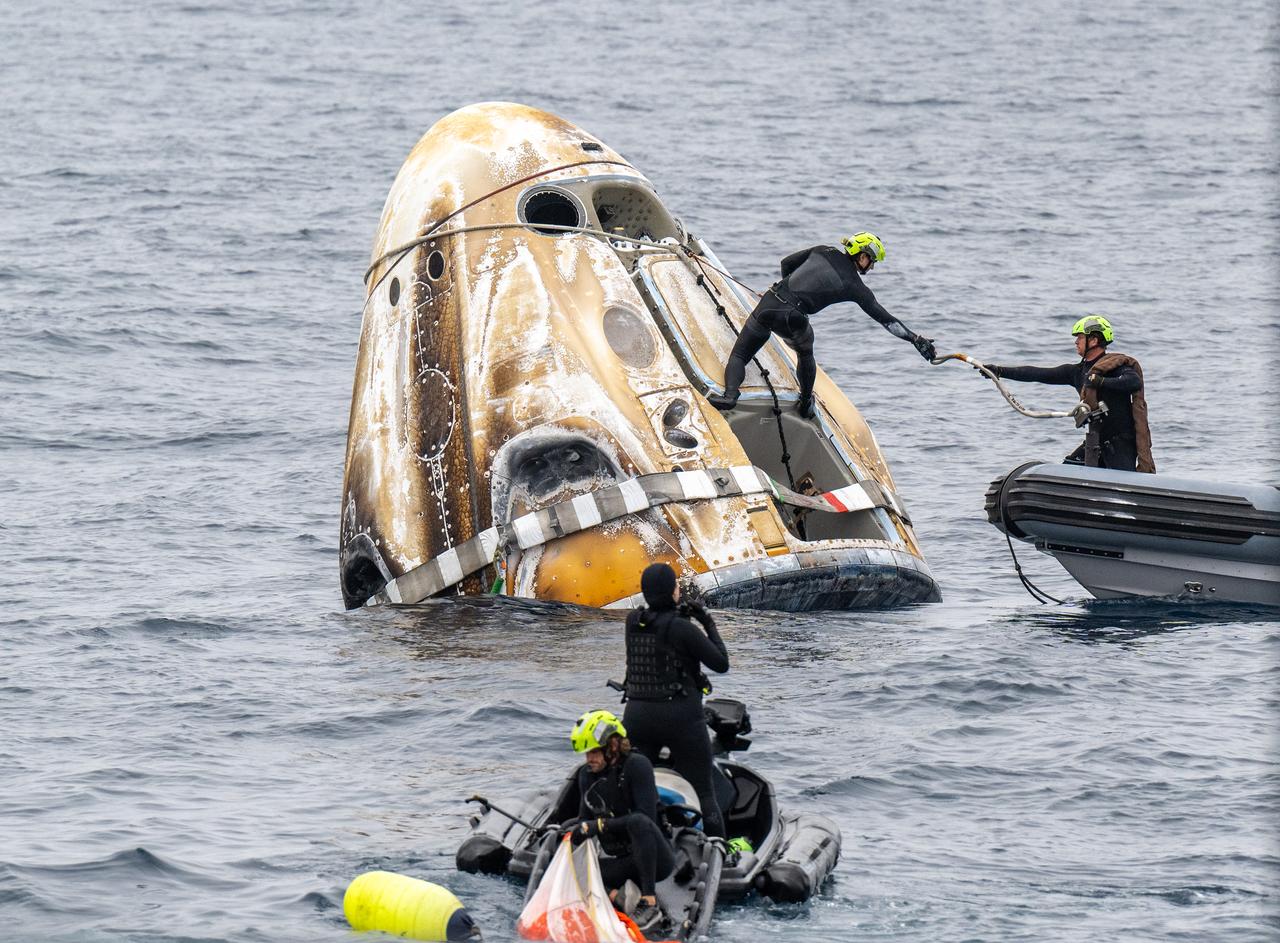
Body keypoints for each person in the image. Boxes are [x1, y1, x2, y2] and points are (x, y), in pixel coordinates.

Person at [706, 232, 936, 418]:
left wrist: (786, 286)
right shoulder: (855, 286)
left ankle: (730, 396)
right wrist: (915, 339)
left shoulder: (823, 250)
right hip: (793, 318)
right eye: (872, 261)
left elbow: (786, 263)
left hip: (769, 303)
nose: (872, 267)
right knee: (806, 351)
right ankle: (806, 402)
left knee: (740, 355)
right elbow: (886, 319)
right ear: (863, 256)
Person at [622, 563, 730, 838]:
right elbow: (720, 663)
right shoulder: (683, 628)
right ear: (672, 592)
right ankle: (720, 853)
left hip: (637, 717)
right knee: (704, 791)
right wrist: (707, 622)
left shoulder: (632, 622)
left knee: (632, 786)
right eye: (676, 586)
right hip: (680, 717)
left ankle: (633, 841)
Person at [984, 315, 1155, 472]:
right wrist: (999, 371)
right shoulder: (1076, 372)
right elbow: (1037, 373)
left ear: (1094, 340)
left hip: (1121, 443)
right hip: (1096, 441)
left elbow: (1134, 382)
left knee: (1124, 485)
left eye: (1080, 337)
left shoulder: (1114, 366)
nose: (1076, 342)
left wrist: (1101, 382)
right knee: (1069, 470)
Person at [554, 709, 673, 933]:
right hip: (624, 863)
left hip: (655, 860)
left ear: (613, 746)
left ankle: (649, 903)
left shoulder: (638, 766)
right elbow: (584, 821)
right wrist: (567, 833)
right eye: (586, 754)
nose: (589, 759)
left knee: (638, 822)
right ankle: (618, 897)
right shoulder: (586, 775)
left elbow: (645, 819)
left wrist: (600, 825)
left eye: (594, 752)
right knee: (565, 856)